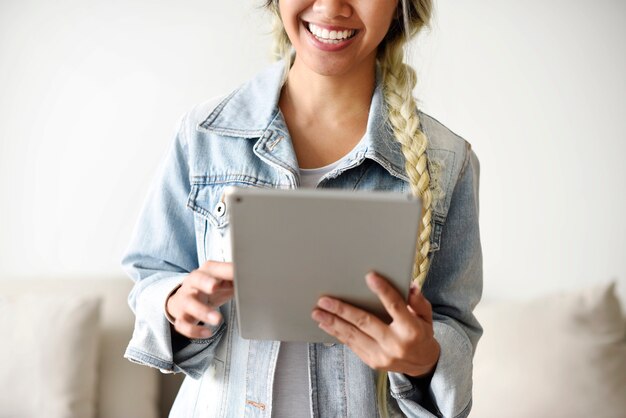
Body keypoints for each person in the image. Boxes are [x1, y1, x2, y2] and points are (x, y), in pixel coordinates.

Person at [122, 0, 482, 417]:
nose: (331, 6)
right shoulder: (203, 135)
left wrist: (423, 360)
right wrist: (175, 304)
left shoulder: (447, 161)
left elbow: (454, 326)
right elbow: (151, 273)